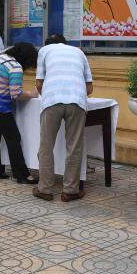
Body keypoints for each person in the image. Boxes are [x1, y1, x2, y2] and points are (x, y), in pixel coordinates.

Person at [32, 34, 93, 202]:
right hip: (77, 101)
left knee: (46, 146)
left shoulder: (44, 51)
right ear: (65, 43)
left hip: (52, 100)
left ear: (47, 44)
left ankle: (44, 189)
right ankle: (70, 191)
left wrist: (49, 94)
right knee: (74, 147)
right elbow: (89, 88)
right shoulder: (79, 52)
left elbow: (39, 83)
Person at [0, 42, 39, 184]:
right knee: (14, 140)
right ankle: (22, 174)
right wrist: (31, 94)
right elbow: (16, 94)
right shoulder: (15, 67)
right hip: (1, 108)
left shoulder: (0, 58)